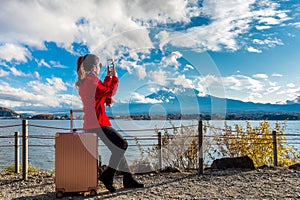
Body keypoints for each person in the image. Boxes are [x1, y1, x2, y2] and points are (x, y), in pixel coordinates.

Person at [76, 54, 144, 193]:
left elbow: (102, 92)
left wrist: (109, 78)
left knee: (116, 149)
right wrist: (115, 78)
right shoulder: (90, 80)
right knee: (122, 144)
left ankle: (128, 179)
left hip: (92, 122)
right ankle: (107, 176)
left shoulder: (89, 79)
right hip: (97, 123)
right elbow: (109, 91)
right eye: (98, 66)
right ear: (94, 67)